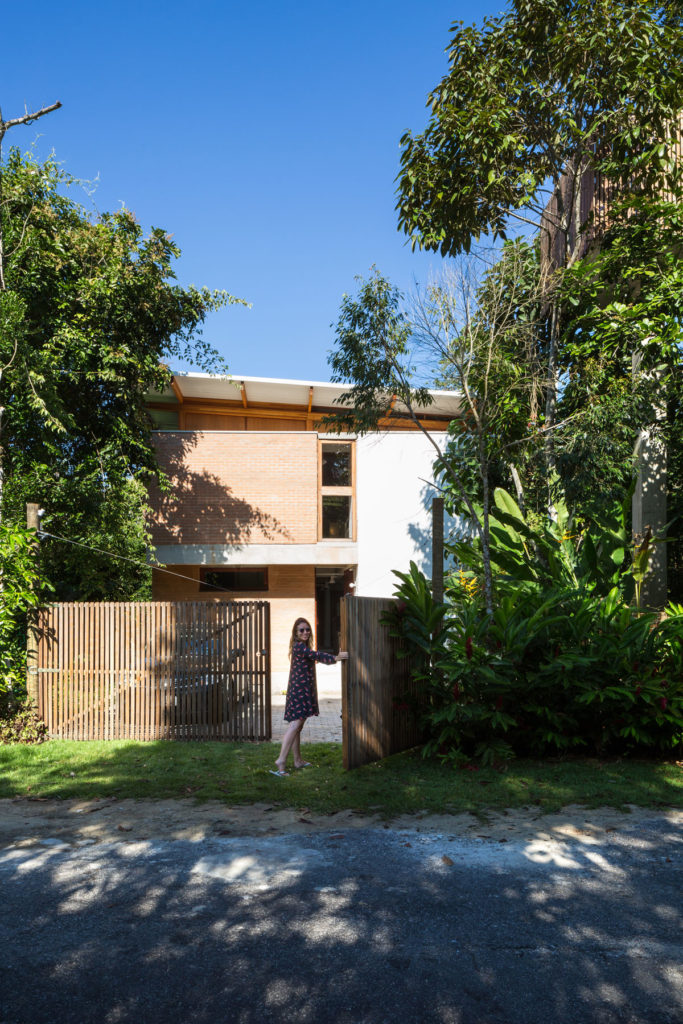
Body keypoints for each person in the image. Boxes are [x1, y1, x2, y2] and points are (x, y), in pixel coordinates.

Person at [270, 617, 348, 777]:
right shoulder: (299, 647)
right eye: (301, 630)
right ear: (296, 633)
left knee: (298, 727)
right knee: (294, 725)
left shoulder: (302, 646)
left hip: (303, 690)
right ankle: (281, 760)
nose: (305, 632)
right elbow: (317, 655)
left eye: (307, 629)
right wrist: (336, 658)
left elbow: (313, 655)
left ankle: (297, 760)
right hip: (299, 692)